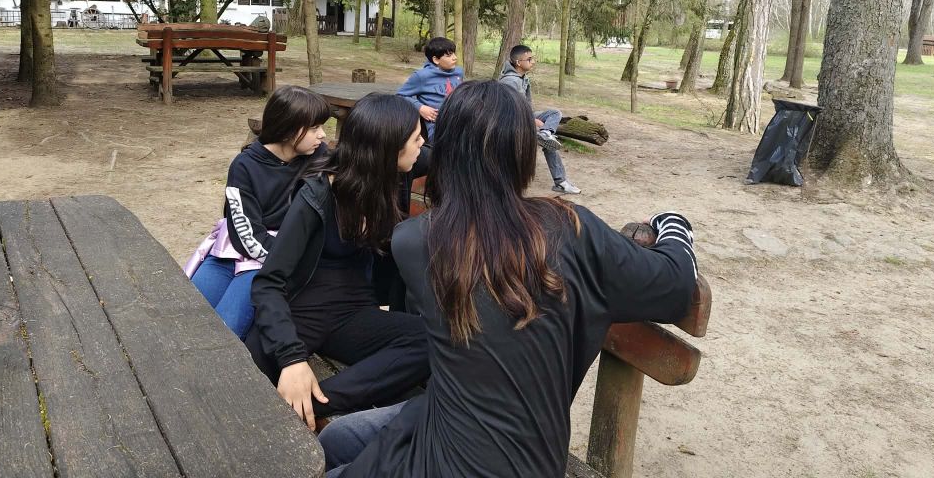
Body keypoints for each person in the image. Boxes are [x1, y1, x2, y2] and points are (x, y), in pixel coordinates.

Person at [318, 80, 698, 478]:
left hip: (448, 447)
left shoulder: (414, 240)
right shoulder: (568, 229)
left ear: (443, 151)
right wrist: (672, 222)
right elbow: (676, 286)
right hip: (506, 448)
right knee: (338, 438)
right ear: (522, 154)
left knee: (333, 446)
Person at [245, 94, 431, 430]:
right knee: (245, 383)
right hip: (303, 312)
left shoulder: (394, 173)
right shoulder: (317, 195)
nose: (422, 145)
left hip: (354, 313)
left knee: (431, 339)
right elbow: (269, 283)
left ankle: (317, 403)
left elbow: (453, 155)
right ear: (388, 147)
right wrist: (292, 358)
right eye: (417, 138)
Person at [185, 85, 330, 340]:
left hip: (275, 256)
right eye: (314, 127)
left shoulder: (318, 157)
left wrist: (285, 261)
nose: (323, 134)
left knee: (225, 329)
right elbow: (244, 231)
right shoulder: (245, 165)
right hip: (234, 248)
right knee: (187, 312)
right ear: (289, 128)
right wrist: (283, 257)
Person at [499, 43, 581, 194]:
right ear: (518, 62)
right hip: (512, 122)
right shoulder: (510, 81)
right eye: (529, 59)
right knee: (549, 143)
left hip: (525, 117)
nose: (533, 62)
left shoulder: (522, 78)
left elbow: (527, 105)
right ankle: (561, 182)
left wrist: (533, 119)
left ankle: (545, 133)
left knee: (554, 115)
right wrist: (531, 121)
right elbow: (508, 110)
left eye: (533, 58)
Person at [396, 36, 463, 139]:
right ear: (436, 59)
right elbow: (400, 96)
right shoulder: (422, 76)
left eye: (454, 53)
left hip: (459, 122)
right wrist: (420, 108)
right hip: (438, 129)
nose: (455, 58)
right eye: (449, 55)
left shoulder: (459, 72)